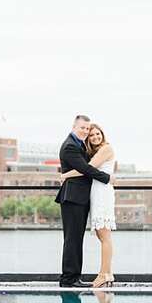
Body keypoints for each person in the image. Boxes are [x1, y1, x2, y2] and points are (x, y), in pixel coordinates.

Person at [55, 115, 111, 288]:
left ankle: (73, 277)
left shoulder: (79, 144)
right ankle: (69, 279)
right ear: (74, 126)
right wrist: (108, 178)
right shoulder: (70, 146)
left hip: (78, 197)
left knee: (76, 238)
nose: (86, 132)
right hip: (73, 197)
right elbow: (85, 169)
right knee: (72, 239)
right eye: (83, 128)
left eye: (88, 129)